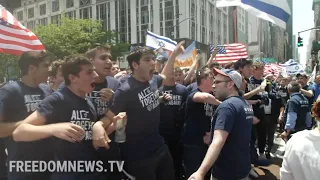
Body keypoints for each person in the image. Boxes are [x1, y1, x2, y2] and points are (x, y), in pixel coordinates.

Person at [12, 55, 121, 180]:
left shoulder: (89, 101)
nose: (95, 76)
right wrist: (54, 129)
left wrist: (100, 126)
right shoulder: (58, 99)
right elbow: (19, 132)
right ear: (73, 78)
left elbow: (108, 122)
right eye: (89, 72)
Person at [92, 42, 185, 179]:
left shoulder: (152, 81)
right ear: (135, 65)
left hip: (160, 148)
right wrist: (97, 126)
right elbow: (109, 117)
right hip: (138, 157)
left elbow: (164, 75)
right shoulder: (125, 91)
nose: (152, 63)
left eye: (153, 59)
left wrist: (174, 55)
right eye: (147, 60)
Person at [188, 68, 253, 180]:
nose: (213, 86)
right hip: (242, 168)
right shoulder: (244, 103)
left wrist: (201, 172)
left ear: (230, 84)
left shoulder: (227, 107)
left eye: (217, 82)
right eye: (213, 82)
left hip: (227, 172)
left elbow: (218, 141)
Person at [0, 51, 51, 180]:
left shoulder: (47, 90)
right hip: (22, 169)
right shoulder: (10, 91)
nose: (49, 70)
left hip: (49, 167)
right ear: (32, 68)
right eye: (45, 66)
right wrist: (26, 124)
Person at [182, 67, 220, 179]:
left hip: (205, 142)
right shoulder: (195, 94)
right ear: (203, 80)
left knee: (206, 173)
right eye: (211, 78)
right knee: (194, 173)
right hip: (193, 143)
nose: (213, 80)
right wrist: (221, 103)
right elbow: (203, 97)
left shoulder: (211, 95)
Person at [280, 97, 320, 180]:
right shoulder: (305, 99)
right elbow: (308, 115)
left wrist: (287, 130)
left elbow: (292, 116)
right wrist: (308, 126)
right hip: (304, 127)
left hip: (296, 131)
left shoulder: (296, 141)